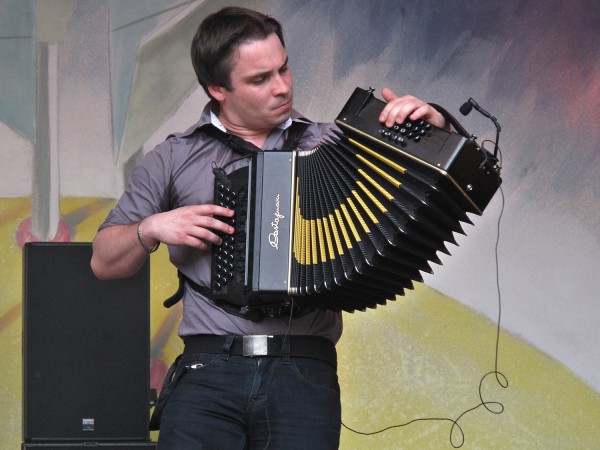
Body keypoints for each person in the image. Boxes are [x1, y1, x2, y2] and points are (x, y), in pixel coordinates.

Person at [91, 6, 450, 450]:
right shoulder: (172, 158)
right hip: (207, 373)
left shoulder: (335, 144)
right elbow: (104, 261)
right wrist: (151, 227)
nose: (282, 86)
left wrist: (434, 128)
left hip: (304, 372)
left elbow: (427, 183)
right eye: (260, 79)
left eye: (284, 68)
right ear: (216, 88)